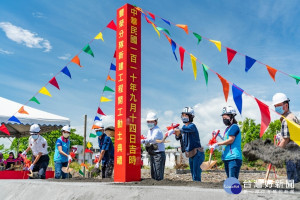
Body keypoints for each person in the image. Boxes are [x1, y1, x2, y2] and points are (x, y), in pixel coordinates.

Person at [272, 93, 300, 183]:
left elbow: (285, 140)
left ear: (286, 105)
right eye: (275, 106)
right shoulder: (293, 117)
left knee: (293, 183)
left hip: (292, 155)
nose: (277, 108)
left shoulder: (287, 119)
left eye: (278, 106)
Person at [174, 107, 204, 181]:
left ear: (191, 117)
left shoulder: (192, 126)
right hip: (190, 154)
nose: (184, 117)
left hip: (197, 153)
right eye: (183, 115)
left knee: (196, 175)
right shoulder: (184, 127)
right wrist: (176, 133)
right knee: (193, 174)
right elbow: (178, 138)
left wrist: (178, 129)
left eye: (186, 115)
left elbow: (187, 130)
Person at [211, 106, 242, 179]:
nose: (224, 119)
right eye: (223, 118)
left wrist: (217, 144)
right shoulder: (227, 129)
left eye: (226, 117)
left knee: (232, 179)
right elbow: (226, 139)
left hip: (233, 158)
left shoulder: (234, 127)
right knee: (230, 179)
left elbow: (231, 140)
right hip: (227, 157)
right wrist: (219, 135)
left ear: (232, 116)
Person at [141, 112, 166, 181]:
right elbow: (149, 138)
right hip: (153, 152)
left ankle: (159, 187)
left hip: (158, 153)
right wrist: (144, 138)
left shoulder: (157, 130)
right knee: (153, 172)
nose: (149, 123)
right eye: (148, 121)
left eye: (151, 121)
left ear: (156, 121)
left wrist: (143, 141)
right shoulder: (150, 130)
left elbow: (152, 139)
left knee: (158, 173)